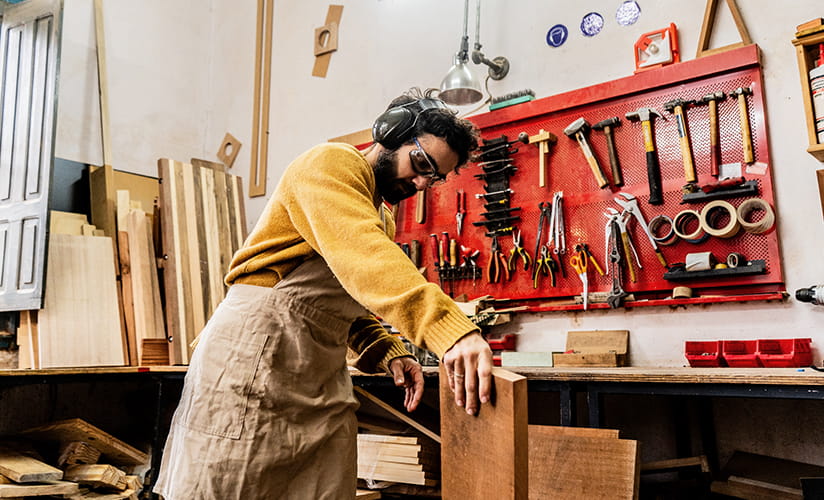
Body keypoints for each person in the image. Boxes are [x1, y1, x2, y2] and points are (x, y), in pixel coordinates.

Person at [154, 88, 493, 499]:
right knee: (229, 484)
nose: (421, 182)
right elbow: (364, 256)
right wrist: (450, 330)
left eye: (433, 178)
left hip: (315, 370)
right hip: (259, 352)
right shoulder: (331, 164)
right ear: (389, 133)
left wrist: (386, 349)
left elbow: (344, 295)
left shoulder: (377, 214)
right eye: (420, 163)